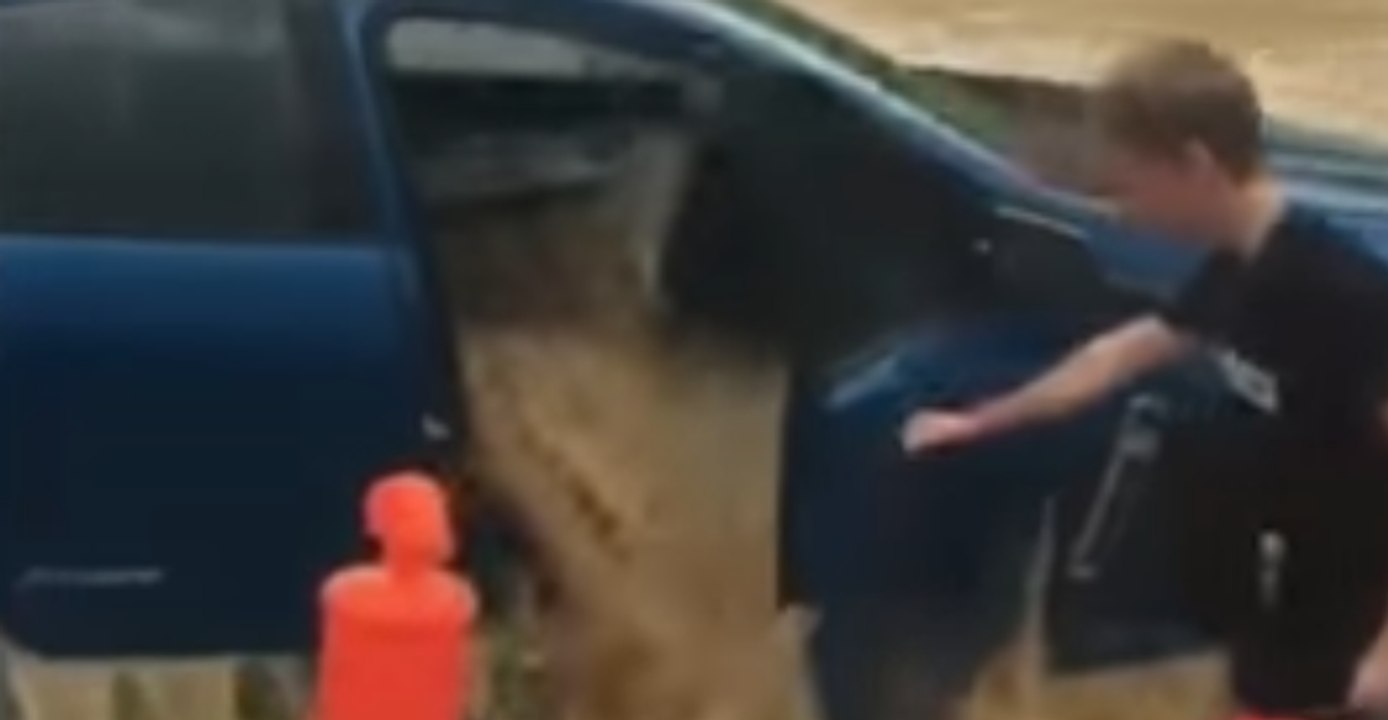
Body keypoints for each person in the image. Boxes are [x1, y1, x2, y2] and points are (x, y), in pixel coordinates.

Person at [903, 39, 1388, 718]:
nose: (1123, 210)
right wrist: (980, 421)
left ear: (1195, 164)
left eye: (1131, 183)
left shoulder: (1342, 290)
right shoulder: (1238, 269)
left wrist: (1383, 655)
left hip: (1360, 632)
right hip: (1296, 617)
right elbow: (1117, 356)